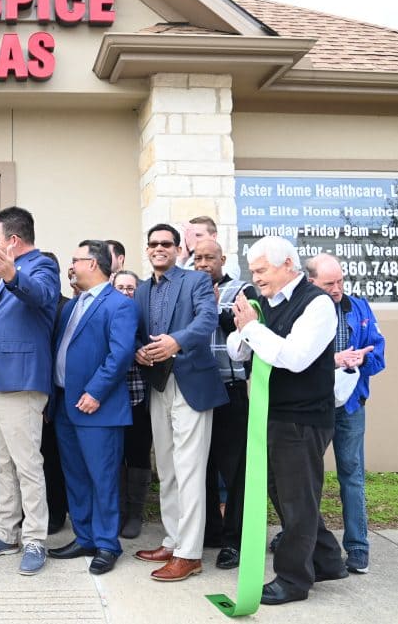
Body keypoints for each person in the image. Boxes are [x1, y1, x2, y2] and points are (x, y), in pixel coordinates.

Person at [227, 235, 347, 605]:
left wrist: (251, 328)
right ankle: (327, 560)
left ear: (288, 266)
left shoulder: (318, 304)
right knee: (289, 494)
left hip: (304, 419)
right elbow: (237, 348)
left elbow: (294, 357)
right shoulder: (264, 304)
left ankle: (293, 580)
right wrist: (244, 328)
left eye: (262, 269)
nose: (256, 277)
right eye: (253, 270)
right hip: (273, 414)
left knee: (296, 498)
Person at [132, 223, 227, 583]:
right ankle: (172, 541)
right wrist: (139, 351)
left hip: (192, 384)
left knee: (189, 470)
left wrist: (177, 341)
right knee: (168, 468)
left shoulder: (196, 282)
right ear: (148, 249)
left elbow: (207, 320)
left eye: (166, 243)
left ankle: (189, 554)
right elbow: (137, 333)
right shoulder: (141, 290)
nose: (159, 248)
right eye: (153, 243)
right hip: (158, 383)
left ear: (177, 249)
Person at [0, 207, 58, 577]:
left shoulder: (39, 267)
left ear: (13, 241)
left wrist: (12, 274)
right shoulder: (3, 277)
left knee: (27, 464)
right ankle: (6, 532)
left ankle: (35, 538)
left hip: (22, 381)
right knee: (2, 462)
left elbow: (40, 295)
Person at [47, 240, 137, 576]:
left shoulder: (119, 305)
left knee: (103, 479)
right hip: (66, 404)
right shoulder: (72, 305)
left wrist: (96, 392)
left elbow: (120, 354)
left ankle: (106, 544)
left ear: (95, 264)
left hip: (97, 407)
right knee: (76, 477)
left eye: (76, 259)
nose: (71, 265)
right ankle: (84, 536)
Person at [306, 253, 385, 575]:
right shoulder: (303, 310)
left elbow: (379, 356)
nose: (337, 288)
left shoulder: (360, 308)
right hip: (312, 405)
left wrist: (362, 360)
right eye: (329, 283)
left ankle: (357, 547)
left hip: (350, 406)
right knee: (304, 477)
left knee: (351, 475)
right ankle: (301, 536)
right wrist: (334, 359)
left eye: (340, 281)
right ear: (311, 282)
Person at [194, 239, 256, 569]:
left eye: (209, 257)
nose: (203, 263)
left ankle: (235, 540)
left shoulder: (242, 289)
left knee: (234, 471)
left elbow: (244, 326)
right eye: (198, 258)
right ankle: (211, 533)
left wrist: (213, 309)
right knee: (201, 467)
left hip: (230, 390)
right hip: (196, 389)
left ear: (223, 259)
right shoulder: (189, 287)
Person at [112, 270, 152, 539]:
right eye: (120, 287)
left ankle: (135, 513)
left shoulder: (145, 317)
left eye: (130, 288)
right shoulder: (107, 314)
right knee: (114, 456)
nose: (126, 292)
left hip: (139, 395)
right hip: (112, 397)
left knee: (137, 454)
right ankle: (119, 511)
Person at [40, 251, 70, 535]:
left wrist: (49, 399)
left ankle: (57, 512)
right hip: (29, 393)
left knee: (54, 459)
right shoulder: (32, 304)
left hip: (56, 397)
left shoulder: (67, 307)